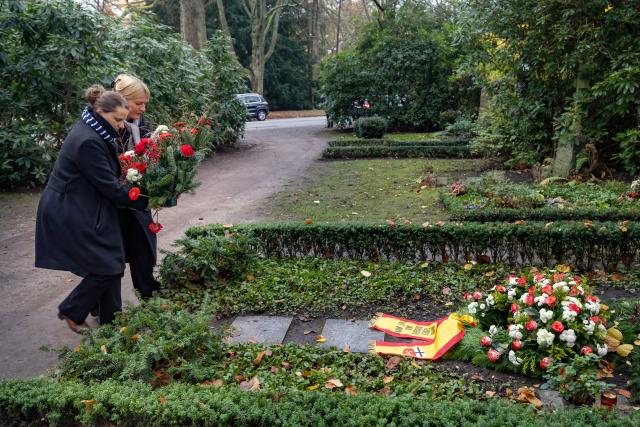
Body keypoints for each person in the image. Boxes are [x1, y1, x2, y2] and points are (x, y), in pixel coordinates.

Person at [35, 85, 148, 334]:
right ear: (100, 111)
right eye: (117, 119)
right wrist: (148, 199)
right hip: (69, 210)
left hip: (83, 204)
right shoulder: (88, 140)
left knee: (110, 261)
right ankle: (72, 310)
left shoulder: (94, 129)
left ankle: (111, 323)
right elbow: (109, 187)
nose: (121, 125)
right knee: (108, 264)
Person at [112, 74, 160, 299]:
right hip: (113, 200)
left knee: (144, 245)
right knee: (113, 254)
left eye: (145, 104)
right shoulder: (110, 127)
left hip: (138, 197)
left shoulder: (144, 125)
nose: (142, 109)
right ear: (122, 100)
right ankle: (103, 305)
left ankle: (148, 293)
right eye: (138, 103)